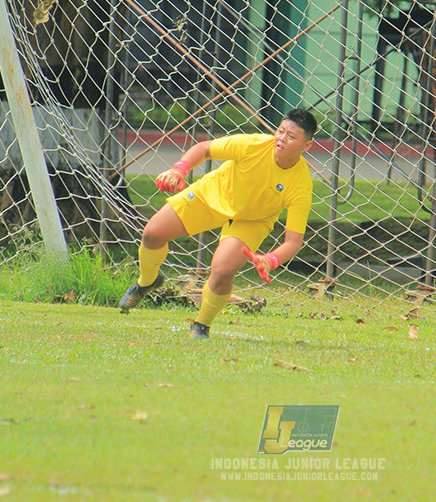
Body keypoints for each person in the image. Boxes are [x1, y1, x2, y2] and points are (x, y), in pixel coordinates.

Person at [119, 108, 317, 339]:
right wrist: (178, 170)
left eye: (291, 136)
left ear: (307, 146)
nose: (281, 138)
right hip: (211, 196)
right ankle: (147, 282)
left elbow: (294, 241)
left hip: (251, 221)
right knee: (152, 233)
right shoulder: (252, 144)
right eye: (280, 131)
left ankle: (201, 325)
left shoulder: (301, 184)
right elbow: (204, 149)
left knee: (222, 271)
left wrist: (272, 259)